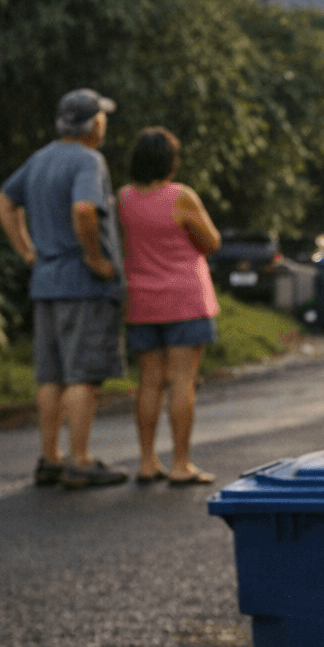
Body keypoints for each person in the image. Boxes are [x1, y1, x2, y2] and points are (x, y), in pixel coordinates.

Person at [0, 88, 128, 489]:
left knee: (50, 375)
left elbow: (3, 200)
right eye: (101, 118)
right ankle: (80, 459)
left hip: (46, 281)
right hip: (82, 284)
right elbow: (84, 209)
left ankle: (50, 457)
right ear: (94, 125)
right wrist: (95, 259)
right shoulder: (89, 160)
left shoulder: (40, 158)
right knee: (82, 374)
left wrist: (27, 251)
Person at [117, 127, 222, 486]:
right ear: (170, 162)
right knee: (182, 381)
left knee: (148, 382)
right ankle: (180, 464)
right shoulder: (181, 196)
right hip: (185, 299)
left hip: (141, 299)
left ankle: (147, 462)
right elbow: (211, 241)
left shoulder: (124, 198)